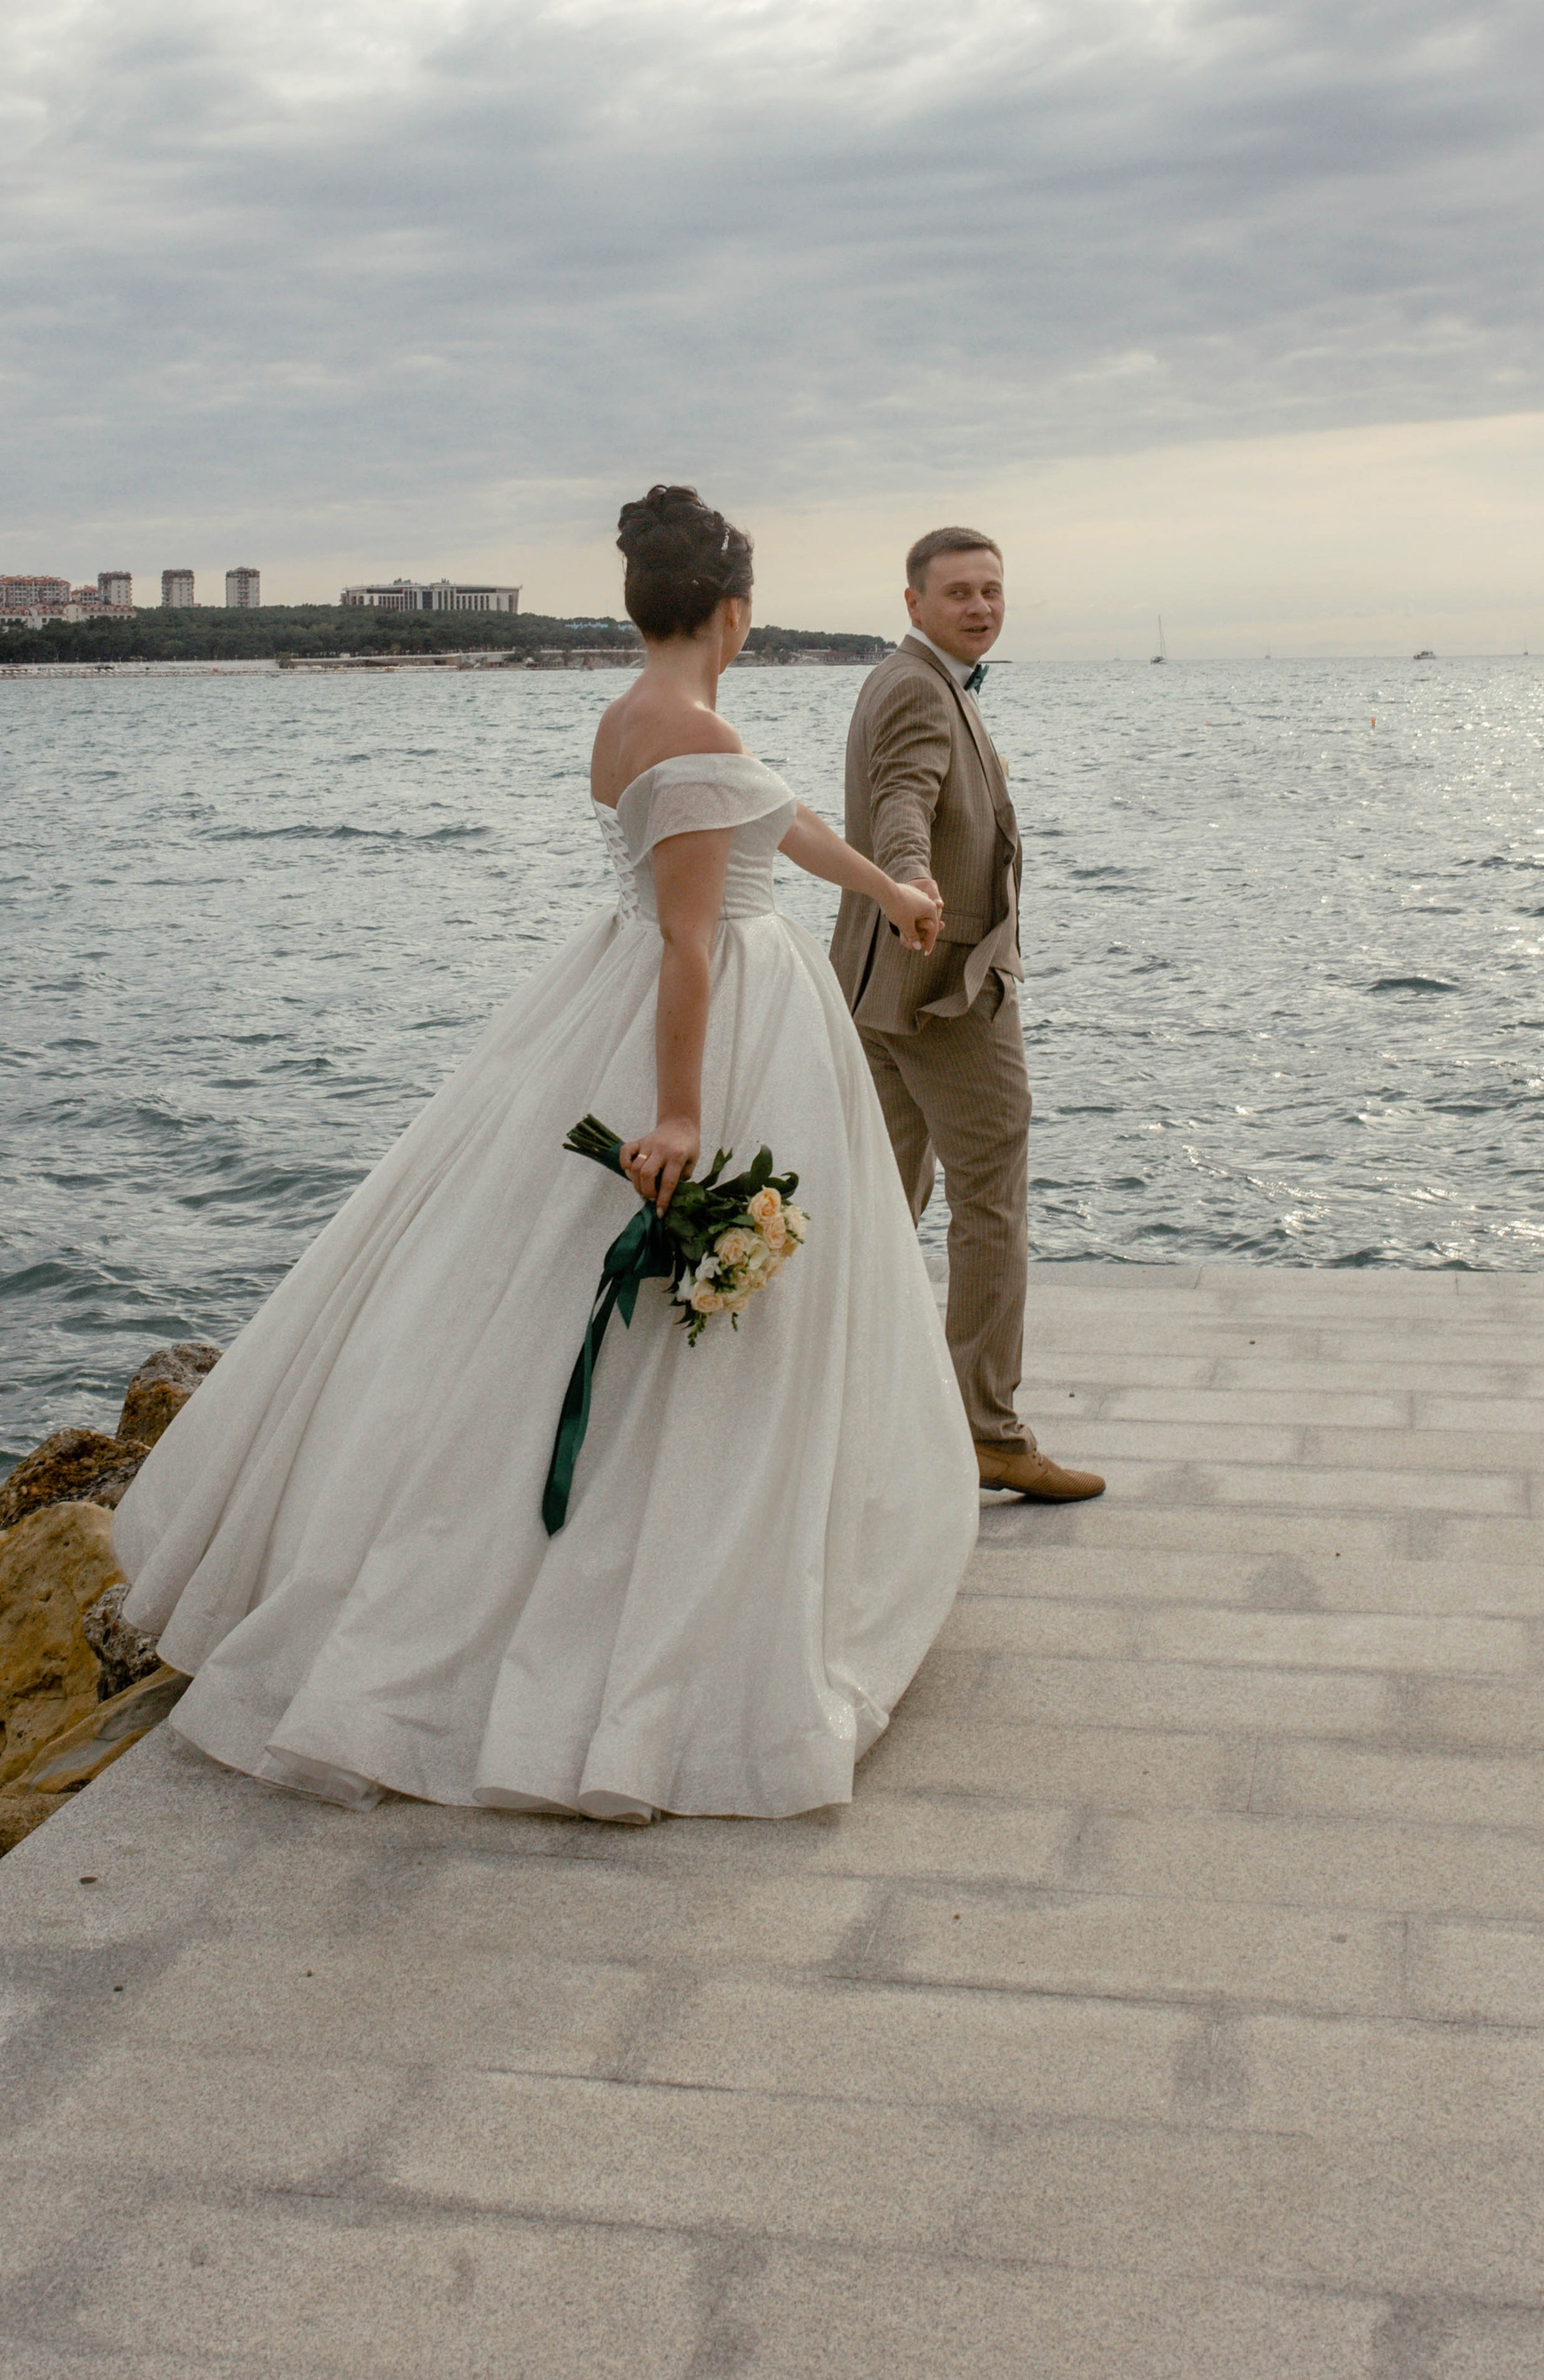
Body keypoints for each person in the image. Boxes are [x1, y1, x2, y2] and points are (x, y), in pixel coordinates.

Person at [110, 485, 977, 1823]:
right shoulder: (695, 730)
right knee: (695, 1326)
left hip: (617, 993)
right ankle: (650, 1598)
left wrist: (889, 892)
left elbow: (768, 824)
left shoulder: (630, 720)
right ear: (733, 613)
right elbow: (695, 937)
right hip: (714, 1023)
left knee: (542, 1290)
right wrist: (682, 1117)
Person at [832, 525, 1105, 1501]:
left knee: (878, 1203)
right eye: (958, 593)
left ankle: (840, 1402)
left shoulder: (915, 679)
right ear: (912, 602)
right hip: (944, 990)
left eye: (992, 590)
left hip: (878, 988)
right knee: (988, 1202)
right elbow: (901, 799)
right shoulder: (915, 685)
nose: (981, 607)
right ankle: (985, 1429)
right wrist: (911, 880)